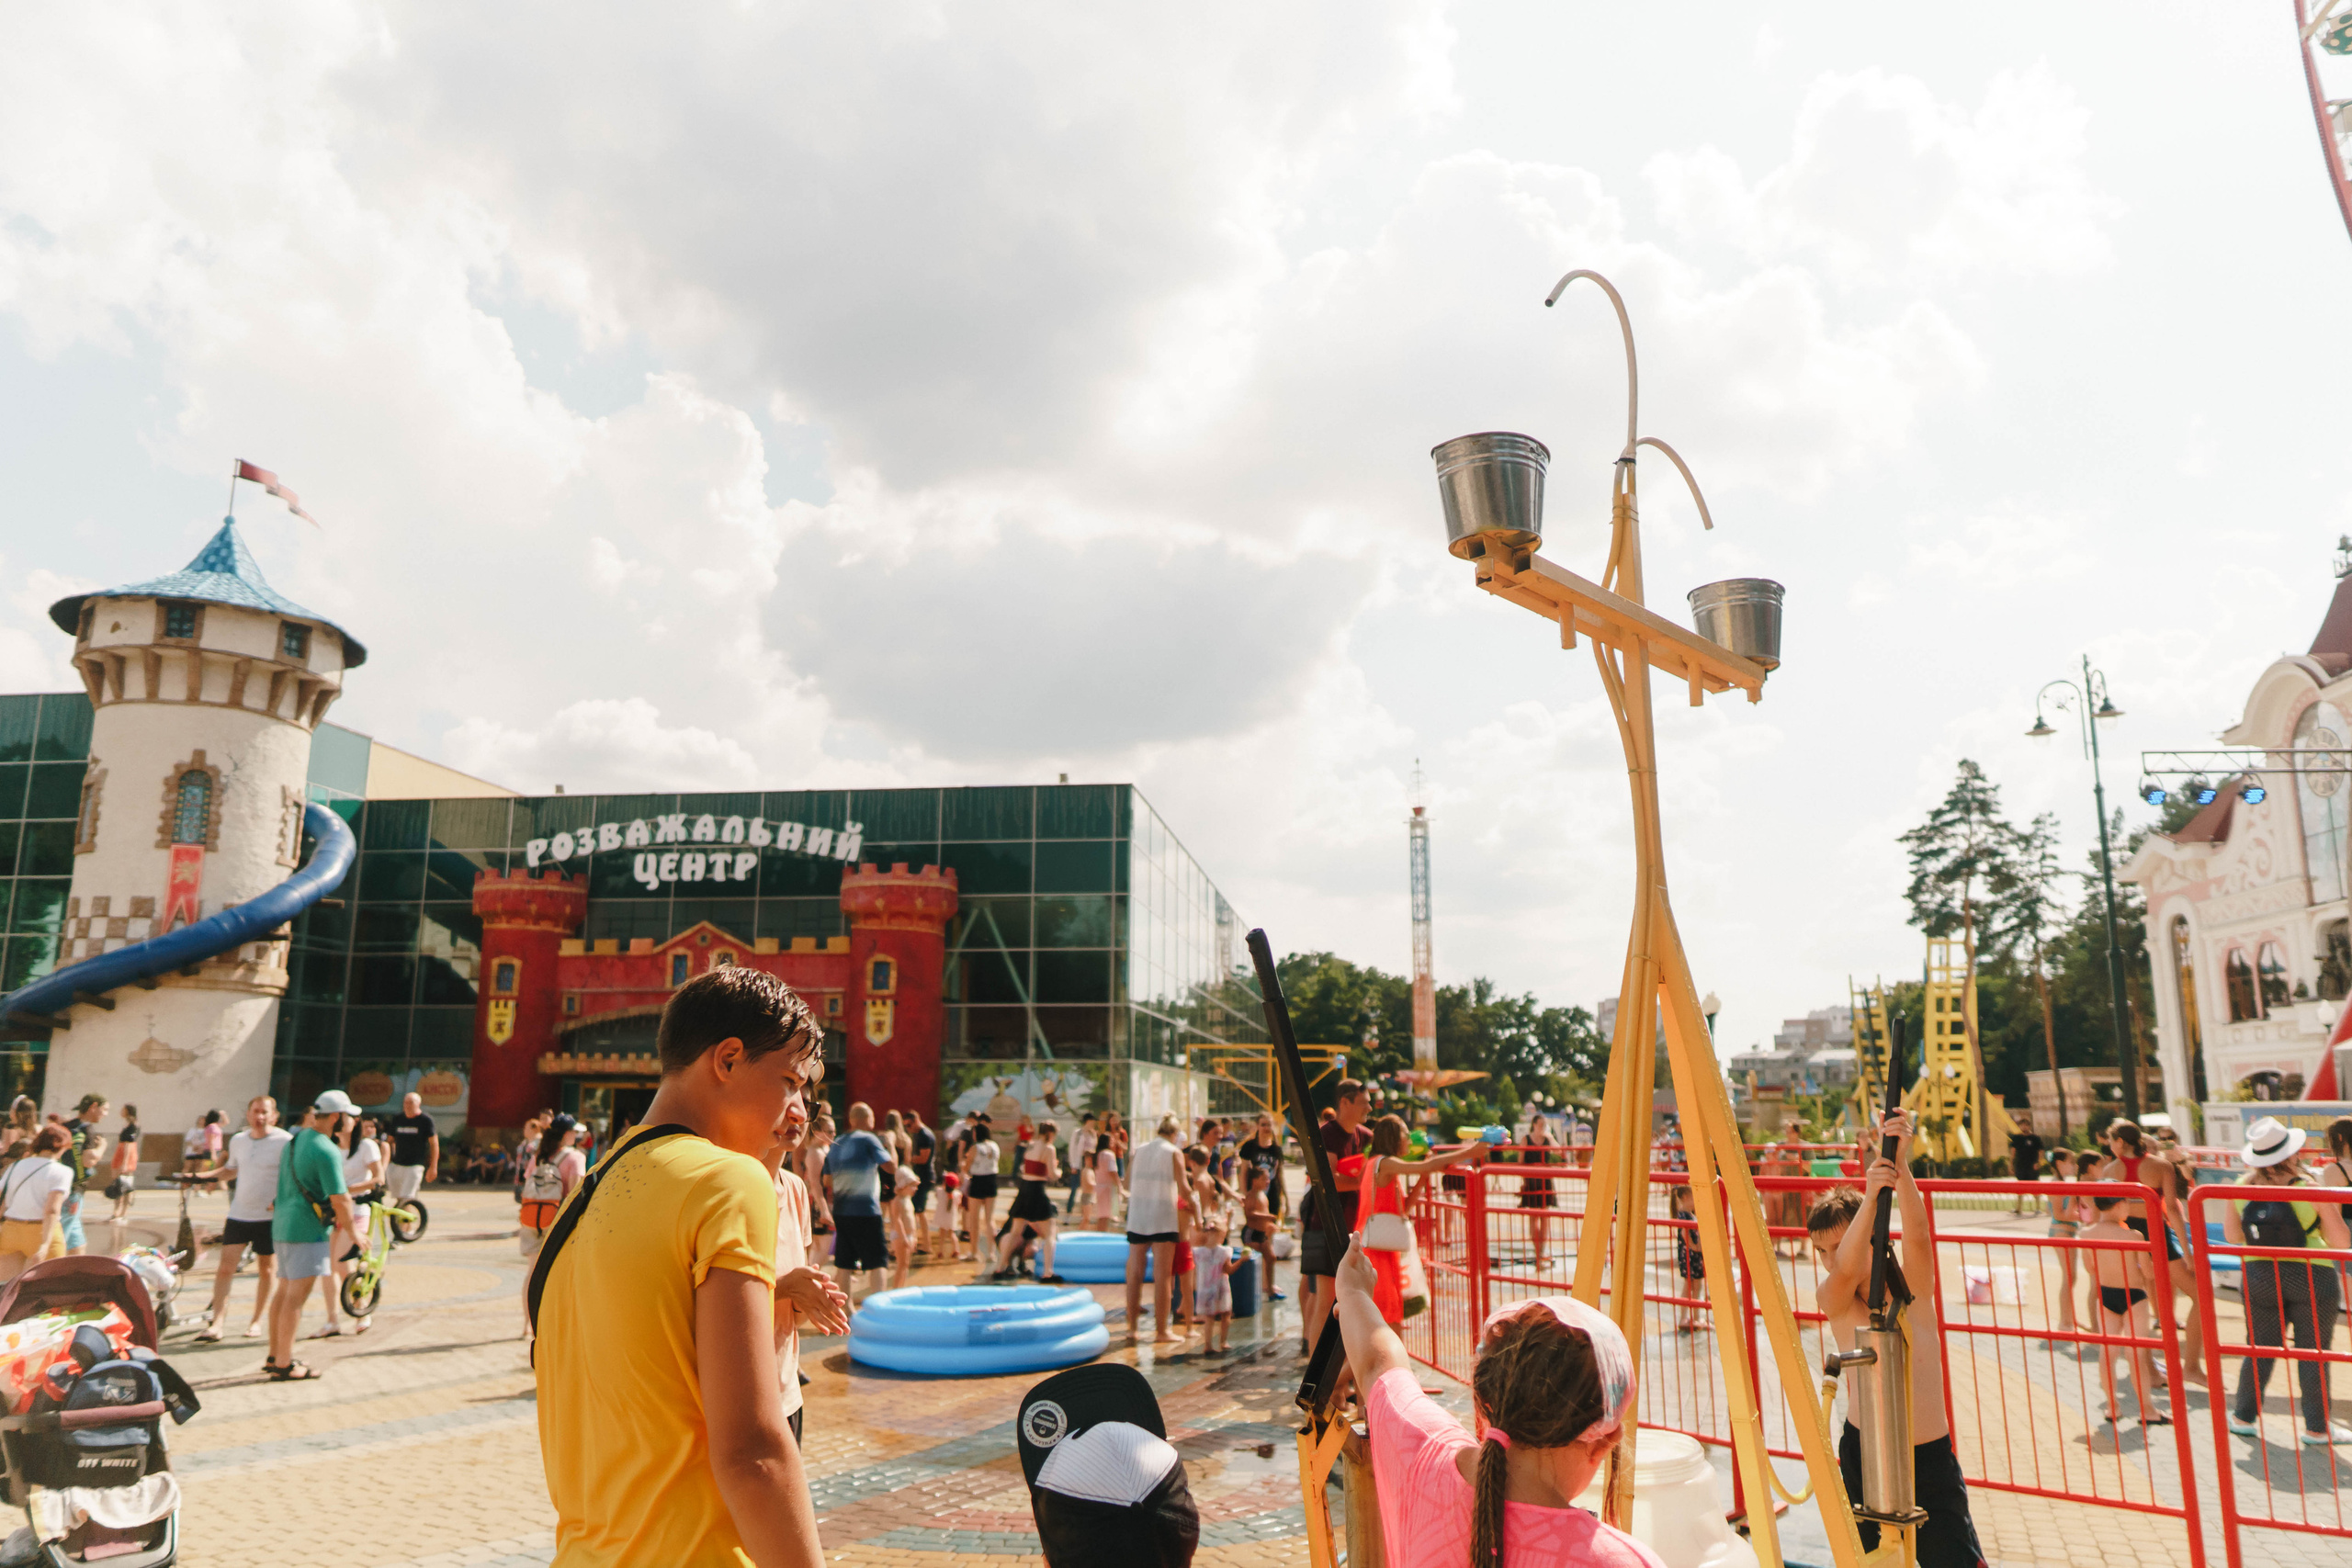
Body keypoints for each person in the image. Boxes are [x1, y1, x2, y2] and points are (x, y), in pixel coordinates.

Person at [534, 964, 826, 1568]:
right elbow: (753, 1453)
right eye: (789, 1081)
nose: (796, 1108)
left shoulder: (585, 1194)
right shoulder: (727, 1180)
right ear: (728, 1059)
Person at [1333, 1236, 1660, 1568]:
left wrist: (1353, 1292)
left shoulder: (1423, 1455)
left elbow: (1377, 1364)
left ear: (1488, 1396)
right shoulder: (1621, 1561)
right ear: (1604, 1442)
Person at [1808, 1111, 1984, 1568]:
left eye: (1838, 1245)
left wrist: (1899, 1165)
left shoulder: (1911, 1290)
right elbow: (1846, 1270)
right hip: (1866, 1454)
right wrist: (1870, 1196)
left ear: (1872, 1234)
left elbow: (1919, 1236)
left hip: (1928, 1456)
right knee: (1871, 1560)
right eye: (1821, 1250)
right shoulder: (1836, 1298)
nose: (1830, 1259)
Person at [2222, 1115, 2352, 1445]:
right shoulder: (2310, 1189)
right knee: (2314, 1352)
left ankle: (2243, 1417)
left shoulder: (2239, 1187)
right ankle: (2317, 1428)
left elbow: (2232, 1236)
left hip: (2259, 1274)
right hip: (2311, 1275)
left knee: (2259, 1347)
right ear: (2291, 1153)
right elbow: (2341, 1241)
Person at [763, 1097, 849, 1447]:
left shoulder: (795, 1189)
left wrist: (808, 1298)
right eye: (786, 1092)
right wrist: (785, 1287)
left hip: (786, 1392)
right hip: (740, 1395)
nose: (798, 1114)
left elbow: (789, 1319)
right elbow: (698, 1302)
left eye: (807, 1105)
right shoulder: (724, 1186)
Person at [264, 1090, 363, 1382]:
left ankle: (275, 1355)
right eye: (349, 1116)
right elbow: (340, 1199)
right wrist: (355, 1233)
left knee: (283, 1292)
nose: (352, 1121)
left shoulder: (296, 1140)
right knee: (296, 1298)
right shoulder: (326, 1149)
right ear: (336, 1117)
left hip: (282, 1225)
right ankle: (284, 1364)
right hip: (307, 1230)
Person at [2096, 1118, 2203, 1381]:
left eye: (2111, 1141)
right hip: (2156, 1234)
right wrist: (2188, 1254)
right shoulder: (2161, 1166)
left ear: (2121, 1142)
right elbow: (2173, 1212)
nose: (2110, 1146)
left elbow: (2104, 1215)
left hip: (2127, 1237)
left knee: (2138, 1302)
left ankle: (2151, 1371)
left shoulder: (2109, 1170)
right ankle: (2190, 1366)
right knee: (2201, 1297)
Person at [1355, 1116, 1480, 1327]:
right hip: (1377, 1251)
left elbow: (1404, 1208)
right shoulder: (1385, 1163)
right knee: (1386, 1318)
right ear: (1394, 1137)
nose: (1410, 1140)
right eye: (1406, 1134)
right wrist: (1471, 1152)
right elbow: (1428, 1165)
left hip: (1380, 1246)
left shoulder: (1376, 1164)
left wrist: (1424, 1174)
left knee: (1383, 1317)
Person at [196, 1096, 291, 1342]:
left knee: (266, 1270)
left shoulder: (285, 1141)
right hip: (239, 1214)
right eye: (256, 1111)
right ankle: (217, 1323)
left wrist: (281, 1199)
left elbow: (292, 1175)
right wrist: (202, 1177)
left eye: (265, 1112)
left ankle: (256, 1321)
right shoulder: (238, 1140)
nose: (260, 1117)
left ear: (274, 1116)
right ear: (248, 1114)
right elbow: (231, 1170)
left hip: (269, 1218)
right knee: (225, 1268)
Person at [2079, 1194, 2165, 1426]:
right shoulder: (2133, 1236)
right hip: (2133, 1295)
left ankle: (2112, 1407)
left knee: (2107, 1353)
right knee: (2135, 1354)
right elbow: (2148, 1273)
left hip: (2106, 1294)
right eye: (2128, 1203)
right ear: (2119, 1205)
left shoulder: (2085, 1234)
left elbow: (2090, 1268)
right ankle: (2147, 1410)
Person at [1301, 1080, 1373, 1356]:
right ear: (1345, 1102)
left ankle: (1335, 1363)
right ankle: (1315, 1365)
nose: (1369, 1108)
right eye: (1363, 1102)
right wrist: (1361, 1181)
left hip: (1353, 1227)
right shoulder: (1328, 1134)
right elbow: (1328, 1180)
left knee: (1345, 1299)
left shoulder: (1364, 1135)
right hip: (1326, 1225)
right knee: (1326, 1299)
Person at [319, 1110, 390, 1338]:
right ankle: (332, 1320)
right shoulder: (329, 1147)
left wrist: (347, 1190)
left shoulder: (366, 1146)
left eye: (345, 1117)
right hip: (332, 1212)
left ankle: (361, 1309)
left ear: (355, 1121)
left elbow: (379, 1178)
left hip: (358, 1209)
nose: (339, 1122)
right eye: (336, 1117)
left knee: (340, 1261)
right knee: (326, 1267)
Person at [822, 1102, 898, 1303]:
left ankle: (847, 1308)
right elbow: (891, 1167)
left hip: (842, 1210)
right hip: (867, 1210)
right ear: (867, 1119)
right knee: (877, 1261)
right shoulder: (868, 1139)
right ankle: (878, 1305)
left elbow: (827, 1180)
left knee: (844, 1262)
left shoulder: (837, 1142)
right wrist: (891, 1145)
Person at [1125, 1115, 1187, 1344]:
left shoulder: (1139, 1150)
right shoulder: (1173, 1152)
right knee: (1162, 1276)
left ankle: (1132, 1328)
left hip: (1138, 1215)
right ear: (1175, 1134)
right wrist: (1196, 1208)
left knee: (1135, 1273)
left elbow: (1126, 1183)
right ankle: (1162, 1331)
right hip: (1163, 1216)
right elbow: (1184, 1188)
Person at [0, 1127, 73, 1280]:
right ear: (62, 1146)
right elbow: (52, 1210)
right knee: (52, 1285)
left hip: (11, 1229)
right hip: (41, 1231)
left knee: (6, 1286)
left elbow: (3, 1200)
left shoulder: (15, 1166)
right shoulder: (62, 1171)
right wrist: (45, 1244)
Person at [999, 1119, 1066, 1283]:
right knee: (1050, 1234)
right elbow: (1052, 1174)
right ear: (1050, 1134)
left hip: (1024, 1189)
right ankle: (1048, 1273)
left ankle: (999, 1268)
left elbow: (1027, 1168)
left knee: (1015, 1232)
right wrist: (1059, 1171)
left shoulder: (1031, 1145)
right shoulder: (1048, 1148)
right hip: (1037, 1190)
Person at [520, 1114, 583, 1263]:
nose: (576, 1135)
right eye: (574, 1132)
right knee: (556, 1267)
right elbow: (574, 1194)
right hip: (556, 1218)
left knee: (533, 1269)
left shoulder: (539, 1156)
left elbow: (527, 1184)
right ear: (567, 1134)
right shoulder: (575, 1157)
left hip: (532, 1215)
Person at [59, 1094, 106, 1256]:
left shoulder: (66, 1126)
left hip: (63, 1185)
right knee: (60, 1237)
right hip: (73, 1190)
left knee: (76, 1241)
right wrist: (102, 1146)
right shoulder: (87, 1129)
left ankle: (78, 1268)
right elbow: (89, 1160)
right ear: (94, 1107)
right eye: (104, 1109)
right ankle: (48, 1268)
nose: (105, 1114)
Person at [2045, 1148, 2084, 1335]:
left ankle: (2069, 1317)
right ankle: (2064, 1321)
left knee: (2071, 1277)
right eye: (2071, 1162)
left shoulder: (2059, 1183)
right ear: (2060, 1163)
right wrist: (2081, 1216)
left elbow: (2051, 1210)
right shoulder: (2056, 1184)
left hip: (2066, 1231)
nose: (2074, 1166)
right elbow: (2058, 1214)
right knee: (2068, 1277)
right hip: (2061, 1231)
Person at [1193, 1213, 1239, 1354]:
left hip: (1205, 1289)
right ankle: (1223, 1342)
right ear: (1222, 1235)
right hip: (1221, 1288)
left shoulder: (1198, 1252)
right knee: (1226, 1314)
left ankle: (1208, 1345)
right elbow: (1228, 1270)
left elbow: (1194, 1272)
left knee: (1209, 1317)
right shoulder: (1224, 1251)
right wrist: (1242, 1260)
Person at [1520, 1112, 1561, 1269]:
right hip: (1531, 1181)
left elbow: (1559, 1151)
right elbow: (1520, 1161)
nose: (1542, 1127)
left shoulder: (1547, 1139)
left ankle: (1541, 1253)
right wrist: (1524, 1179)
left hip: (1545, 1181)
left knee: (1544, 1217)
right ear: (1534, 1124)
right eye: (1541, 1124)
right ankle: (1538, 1254)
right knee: (1534, 1217)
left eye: (1545, 1125)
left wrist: (1550, 1137)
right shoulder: (1526, 1139)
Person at [961, 1115, 1002, 1270]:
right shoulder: (995, 1146)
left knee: (974, 1219)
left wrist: (964, 1166)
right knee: (989, 1218)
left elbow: (967, 1167)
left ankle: (974, 1251)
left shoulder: (975, 1148)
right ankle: (991, 1253)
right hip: (992, 1181)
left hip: (978, 1181)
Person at [386, 1091, 439, 1202]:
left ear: (418, 1104)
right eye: (405, 1102)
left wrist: (433, 1166)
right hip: (397, 1164)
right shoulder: (397, 1119)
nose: (407, 1105)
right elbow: (389, 1141)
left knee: (408, 1197)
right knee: (399, 1198)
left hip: (415, 1165)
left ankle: (408, 1212)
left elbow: (434, 1144)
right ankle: (404, 1214)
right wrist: (387, 1161)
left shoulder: (425, 1120)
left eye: (411, 1102)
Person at [1241, 1163, 1280, 1311]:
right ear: (1255, 1180)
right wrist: (1267, 1217)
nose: (1267, 1181)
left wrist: (1269, 1224)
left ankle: (1270, 1289)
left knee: (1271, 1258)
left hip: (1262, 1234)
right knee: (1253, 1263)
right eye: (1264, 1179)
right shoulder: (1251, 1195)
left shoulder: (1263, 1194)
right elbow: (1249, 1213)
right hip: (1252, 1233)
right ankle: (1252, 1291)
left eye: (1268, 1179)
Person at [1670, 1183, 1707, 1333]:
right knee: (1693, 1285)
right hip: (1691, 1255)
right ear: (1686, 1197)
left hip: (1689, 1255)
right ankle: (1689, 1317)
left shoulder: (1687, 1214)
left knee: (1693, 1285)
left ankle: (1691, 1316)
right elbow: (1684, 1233)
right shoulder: (1684, 1215)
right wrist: (1695, 1247)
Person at [906, 1109, 937, 1256]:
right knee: (917, 1211)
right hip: (922, 1175)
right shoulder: (920, 1134)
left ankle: (926, 1245)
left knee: (919, 1211)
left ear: (916, 1120)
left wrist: (907, 1159)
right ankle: (921, 1242)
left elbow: (924, 1158)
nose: (908, 1129)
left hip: (924, 1176)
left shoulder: (925, 1135)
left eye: (909, 1125)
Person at [107, 1102, 141, 1224]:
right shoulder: (127, 1124)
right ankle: (116, 1211)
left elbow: (129, 1144)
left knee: (125, 1184)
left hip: (127, 1153)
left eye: (123, 1110)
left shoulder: (133, 1125)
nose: (121, 1111)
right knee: (117, 1183)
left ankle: (123, 1213)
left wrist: (125, 1162)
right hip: (121, 1151)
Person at [2007, 1112, 2044, 1215]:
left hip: (2032, 1165)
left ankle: (2038, 1207)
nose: (2024, 1127)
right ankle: (2018, 1208)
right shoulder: (2016, 1138)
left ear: (2029, 1126)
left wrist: (2038, 1162)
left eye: (2026, 1125)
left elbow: (2040, 1152)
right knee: (2020, 1187)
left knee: (2034, 1186)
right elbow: (2012, 1152)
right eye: (2022, 1125)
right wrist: (2011, 1165)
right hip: (2020, 1165)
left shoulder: (2035, 1138)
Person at [1069, 1113, 1099, 1218]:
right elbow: (1072, 1148)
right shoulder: (1078, 1133)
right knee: (1074, 1189)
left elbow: (1094, 1149)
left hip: (1088, 1163)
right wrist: (1073, 1164)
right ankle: (1069, 1211)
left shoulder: (1092, 1134)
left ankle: (1085, 1213)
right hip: (1078, 1162)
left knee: (1087, 1190)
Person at [184, 1108, 224, 1174]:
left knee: (200, 1168)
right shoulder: (193, 1130)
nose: (201, 1121)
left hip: (203, 1151)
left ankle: (198, 1180)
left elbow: (208, 1141)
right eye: (200, 1120)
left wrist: (222, 1114)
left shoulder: (209, 1128)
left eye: (203, 1120)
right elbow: (188, 1140)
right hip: (192, 1151)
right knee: (188, 1167)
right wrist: (195, 1147)